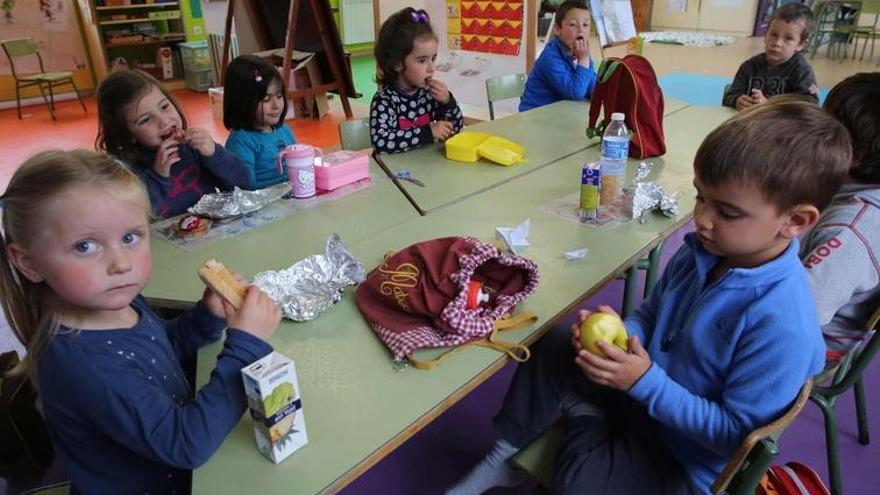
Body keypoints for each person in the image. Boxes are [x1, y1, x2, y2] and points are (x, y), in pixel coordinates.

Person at [446, 98, 851, 495]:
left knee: (578, 482)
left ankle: (584, 413)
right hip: (642, 396)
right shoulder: (703, 252)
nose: (702, 219)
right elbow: (653, 312)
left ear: (795, 221)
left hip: (680, 457)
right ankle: (504, 457)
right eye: (700, 196)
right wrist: (625, 333)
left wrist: (644, 382)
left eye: (726, 212)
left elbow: (733, 439)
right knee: (552, 341)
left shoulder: (784, 324)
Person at [0, 150, 281, 494]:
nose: (120, 263)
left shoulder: (118, 301)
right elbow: (187, 444)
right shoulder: (85, 365)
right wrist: (247, 346)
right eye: (85, 246)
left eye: (130, 237)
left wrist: (207, 317)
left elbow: (159, 349)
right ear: (28, 263)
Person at [96, 70, 250, 218]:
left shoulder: (193, 148)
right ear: (127, 135)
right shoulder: (127, 171)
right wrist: (158, 177)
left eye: (164, 107)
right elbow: (136, 218)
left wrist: (214, 153)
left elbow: (242, 184)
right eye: (145, 120)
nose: (164, 121)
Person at [801, 72, 880, 364]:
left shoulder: (850, 231)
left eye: (826, 128)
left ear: (854, 154)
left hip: (807, 347)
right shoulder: (856, 188)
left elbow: (797, 314)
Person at [370, 7, 464, 154]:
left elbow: (455, 129)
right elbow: (381, 143)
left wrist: (447, 102)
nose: (431, 68)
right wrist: (428, 132)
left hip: (425, 168)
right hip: (393, 172)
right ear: (397, 63)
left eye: (433, 58)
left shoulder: (429, 94)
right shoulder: (385, 100)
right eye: (422, 61)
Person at [722, 3, 818, 111]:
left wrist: (770, 105)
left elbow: (810, 107)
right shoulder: (749, 66)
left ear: (801, 44)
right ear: (765, 35)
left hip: (782, 126)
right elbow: (729, 96)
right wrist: (737, 101)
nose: (777, 43)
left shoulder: (802, 71)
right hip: (748, 123)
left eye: (788, 38)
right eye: (773, 35)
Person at [224, 54, 297, 189]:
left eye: (279, 96)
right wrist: (290, 181)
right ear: (243, 102)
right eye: (266, 99)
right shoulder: (241, 141)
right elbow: (246, 187)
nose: (276, 105)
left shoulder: (284, 130)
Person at [520, 1, 596, 112]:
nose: (581, 30)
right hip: (535, 116)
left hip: (561, 114)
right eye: (573, 24)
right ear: (557, 29)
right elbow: (575, 92)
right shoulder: (550, 58)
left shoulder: (580, 53)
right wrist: (583, 59)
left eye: (585, 25)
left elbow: (591, 85)